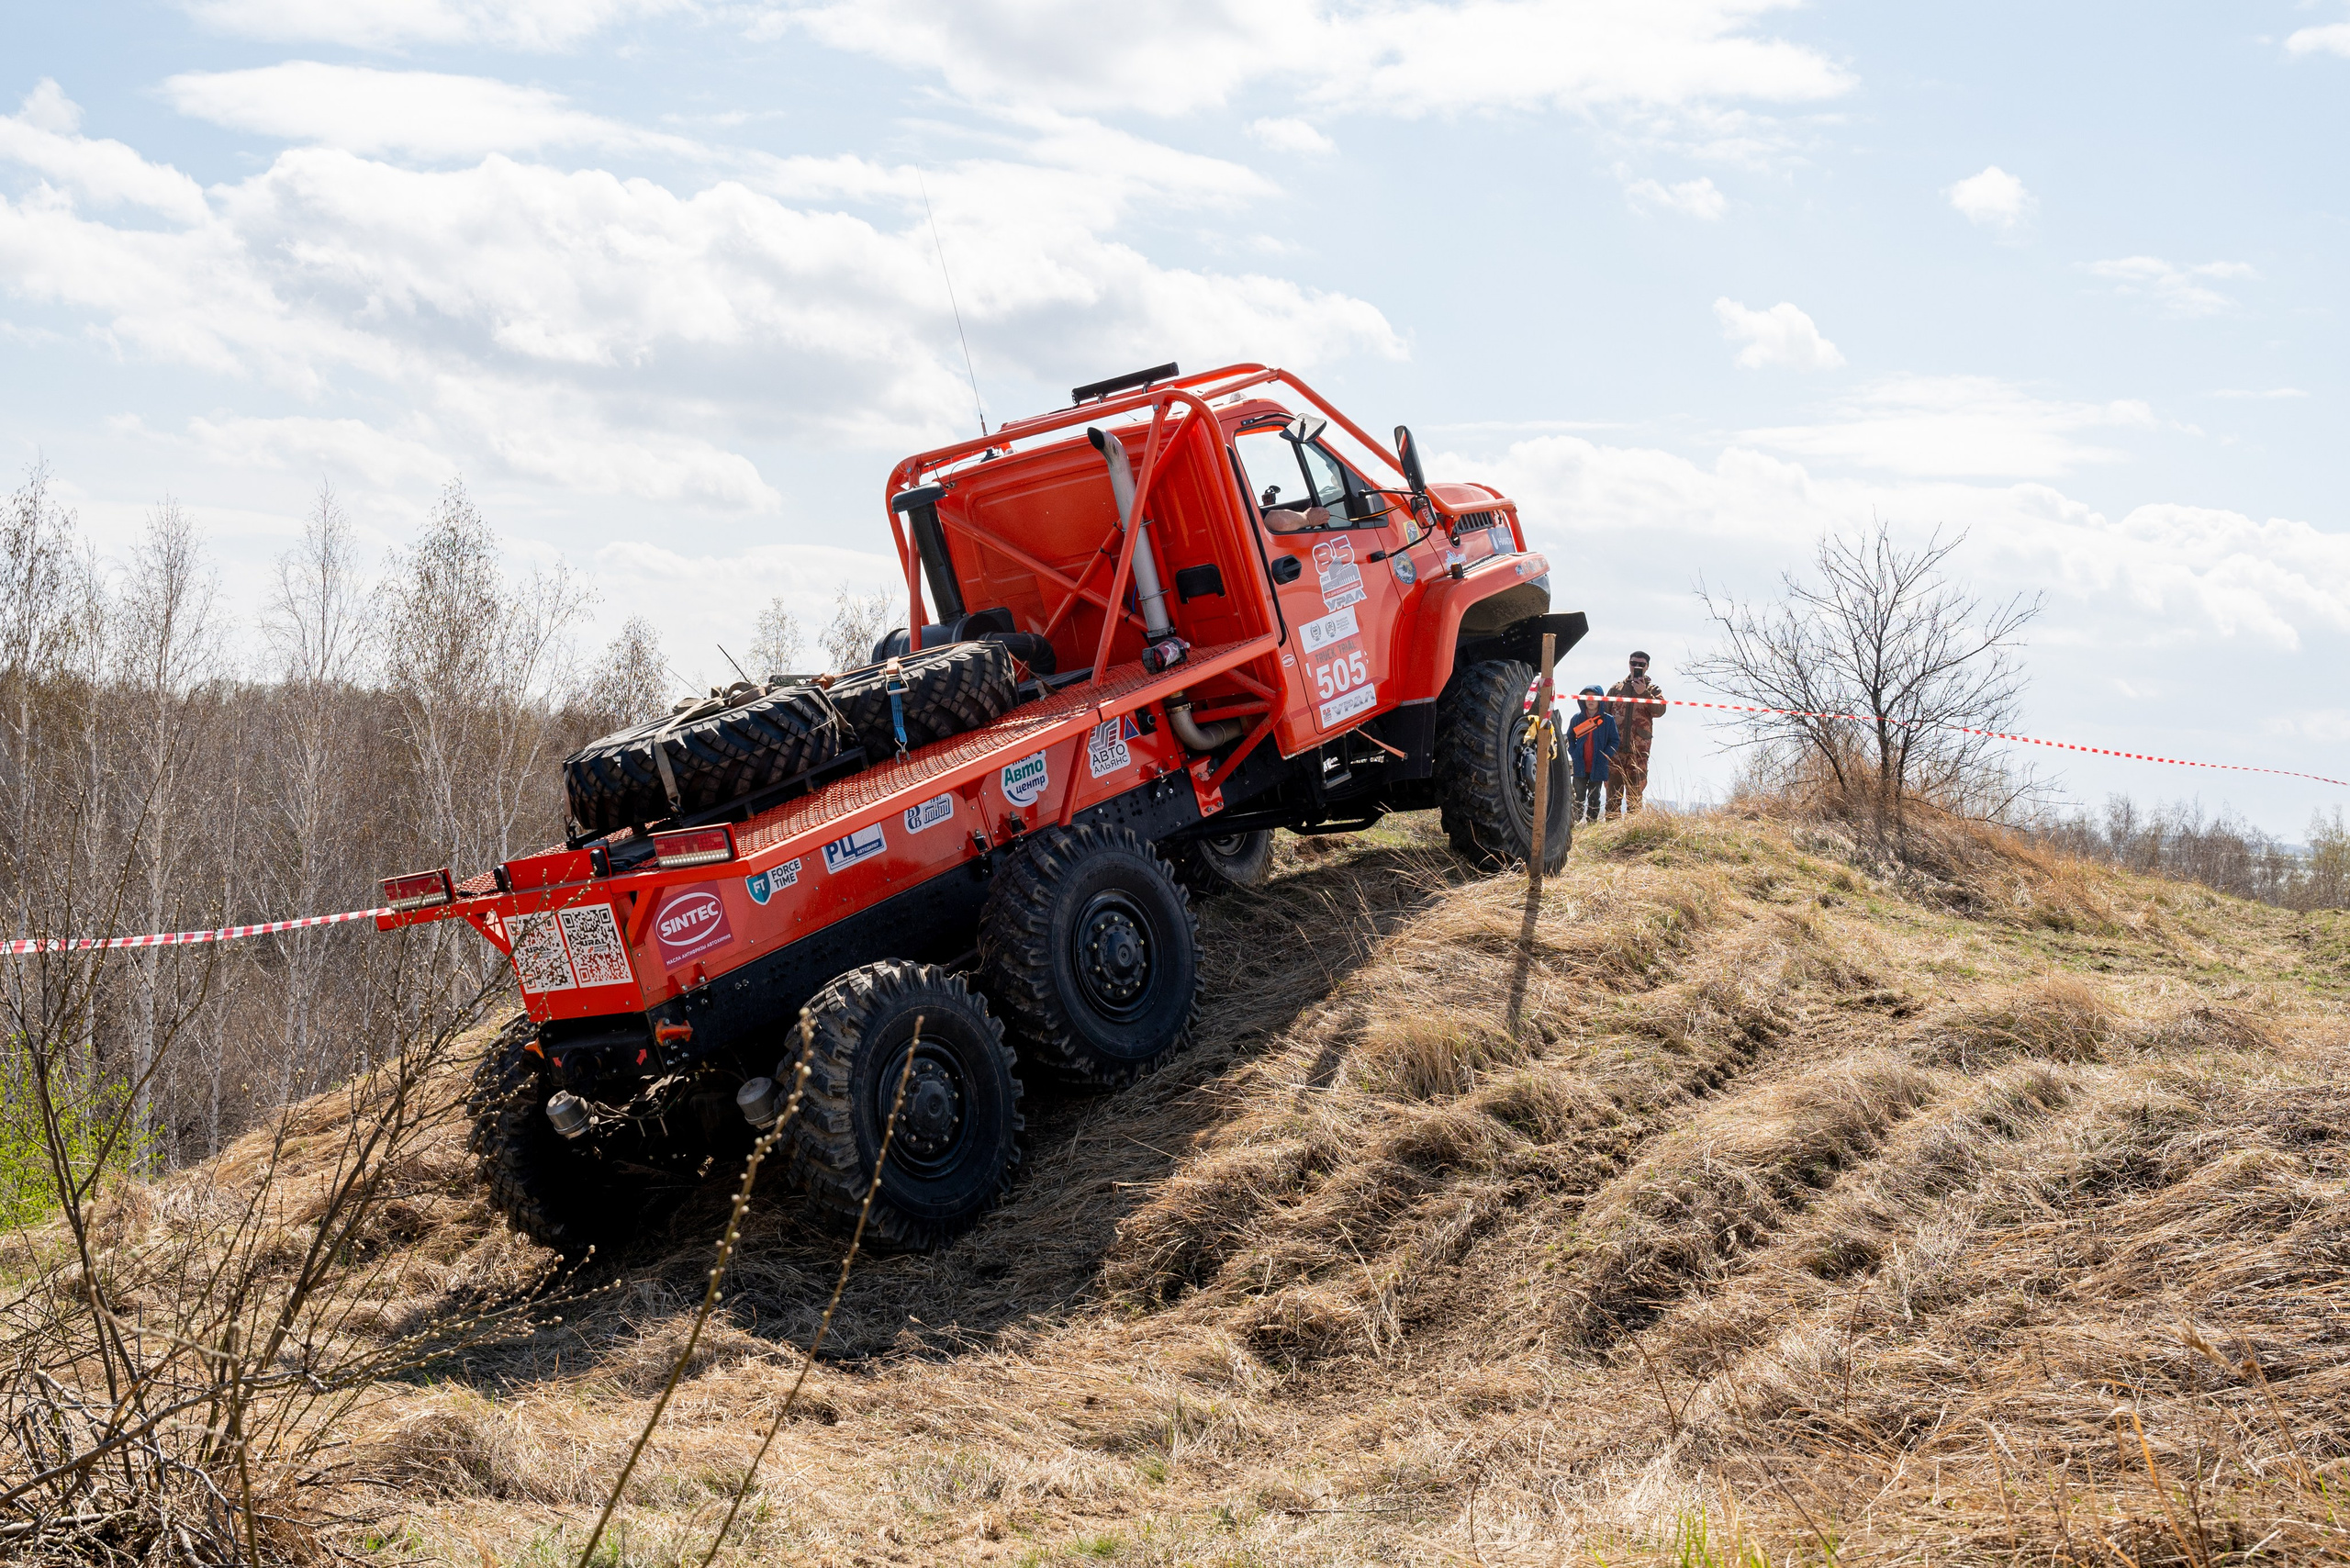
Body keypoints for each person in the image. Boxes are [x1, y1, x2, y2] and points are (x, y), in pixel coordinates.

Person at [1606, 651, 1666, 816]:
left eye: (1641, 664)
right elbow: (1604, 715)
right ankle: (1610, 831)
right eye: (1634, 663)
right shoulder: (1616, 688)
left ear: (1647, 667)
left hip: (1638, 751)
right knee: (1612, 795)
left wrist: (1644, 694)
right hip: (1615, 750)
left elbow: (1660, 710)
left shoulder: (1653, 690)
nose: (1637, 667)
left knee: (1635, 796)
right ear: (1629, 664)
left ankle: (1632, 832)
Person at [1566, 685, 1618, 824]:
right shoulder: (1577, 718)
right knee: (1578, 796)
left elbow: (1614, 741)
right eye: (1587, 697)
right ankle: (1575, 823)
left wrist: (1605, 755)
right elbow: (1570, 737)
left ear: (1600, 700)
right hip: (1580, 765)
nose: (1590, 701)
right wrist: (1574, 752)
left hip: (1598, 765)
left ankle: (1591, 823)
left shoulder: (1608, 720)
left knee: (1594, 797)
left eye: (1593, 697)